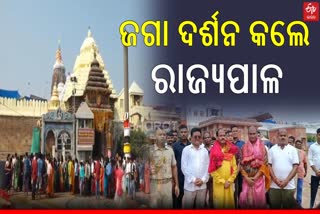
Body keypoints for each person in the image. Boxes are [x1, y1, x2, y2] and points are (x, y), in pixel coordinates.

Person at [239, 126, 270, 208]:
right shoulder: (243, 148)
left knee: (259, 203)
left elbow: (265, 164)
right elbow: (240, 165)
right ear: (247, 134)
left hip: (259, 180)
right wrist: (247, 178)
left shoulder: (263, 147)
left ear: (257, 134)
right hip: (246, 180)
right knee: (246, 202)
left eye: (254, 133)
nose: (252, 136)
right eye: (250, 134)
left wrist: (255, 178)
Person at [268, 128, 299, 208]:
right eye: (281, 135)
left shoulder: (293, 150)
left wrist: (286, 181)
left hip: (289, 186)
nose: (283, 137)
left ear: (287, 137)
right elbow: (269, 166)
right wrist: (275, 180)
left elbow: (295, 166)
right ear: (277, 136)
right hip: (274, 186)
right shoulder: (272, 150)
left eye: (284, 135)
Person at [149, 128, 179, 208]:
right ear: (155, 136)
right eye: (160, 134)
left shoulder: (170, 150)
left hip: (167, 184)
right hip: (155, 184)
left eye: (164, 135)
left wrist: (177, 185)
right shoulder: (150, 151)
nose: (162, 136)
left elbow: (174, 167)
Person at [208, 128, 238, 208]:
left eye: (224, 135)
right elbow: (212, 170)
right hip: (219, 184)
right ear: (217, 137)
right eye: (220, 136)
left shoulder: (230, 149)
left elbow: (235, 167)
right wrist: (223, 181)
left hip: (229, 183)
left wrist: (230, 180)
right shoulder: (213, 151)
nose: (223, 137)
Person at [181, 127, 209, 209]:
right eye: (195, 136)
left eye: (199, 137)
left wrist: (203, 180)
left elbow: (208, 167)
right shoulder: (186, 150)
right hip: (190, 186)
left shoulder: (205, 151)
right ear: (191, 137)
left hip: (202, 186)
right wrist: (194, 180)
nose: (197, 138)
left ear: (201, 138)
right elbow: (184, 167)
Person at [172, 124, 190, 208]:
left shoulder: (191, 145)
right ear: (179, 133)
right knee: (178, 198)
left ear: (188, 133)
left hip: (190, 177)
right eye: (182, 132)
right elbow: (172, 163)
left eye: (185, 132)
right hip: (179, 177)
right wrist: (174, 180)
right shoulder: (175, 146)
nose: (183, 134)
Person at [231, 125, 245, 208]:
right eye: (233, 131)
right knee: (232, 191)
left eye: (236, 131)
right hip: (231, 172)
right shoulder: (228, 144)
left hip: (241, 171)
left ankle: (240, 207)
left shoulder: (242, 143)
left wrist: (240, 169)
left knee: (240, 189)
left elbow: (244, 157)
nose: (235, 132)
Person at [308, 128, 320, 208]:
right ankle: (311, 208)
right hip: (314, 174)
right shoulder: (312, 146)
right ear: (317, 135)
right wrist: (316, 170)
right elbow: (310, 159)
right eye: (319, 135)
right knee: (313, 193)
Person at [295, 139, 307, 206]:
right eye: (297, 144)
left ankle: (298, 203)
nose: (298, 145)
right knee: (293, 189)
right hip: (293, 175)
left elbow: (305, 163)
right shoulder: (292, 151)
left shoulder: (303, 152)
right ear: (295, 144)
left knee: (299, 188)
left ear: (301, 145)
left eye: (300, 144)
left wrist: (306, 171)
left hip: (300, 173)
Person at [203, 131, 213, 208]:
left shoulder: (215, 148)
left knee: (212, 196)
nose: (207, 139)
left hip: (214, 176)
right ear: (203, 139)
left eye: (208, 137)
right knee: (203, 196)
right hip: (204, 176)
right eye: (205, 137)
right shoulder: (201, 149)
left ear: (211, 138)